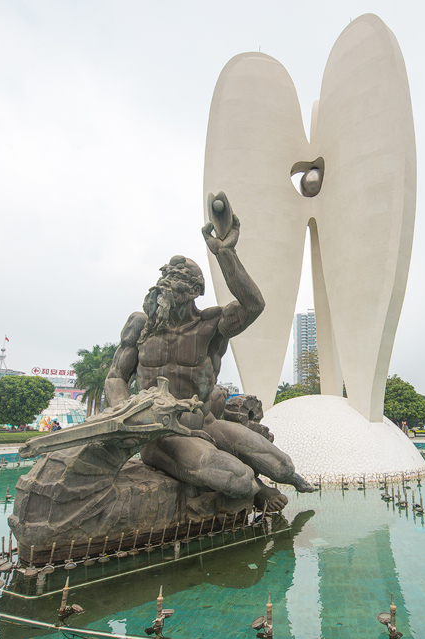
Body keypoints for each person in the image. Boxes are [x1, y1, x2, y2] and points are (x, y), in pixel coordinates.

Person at [104, 193, 314, 510]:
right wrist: (123, 414)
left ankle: (271, 482)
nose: (163, 290)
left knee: (283, 465)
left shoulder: (209, 326)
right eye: (162, 283)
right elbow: (116, 376)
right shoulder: (141, 325)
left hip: (205, 423)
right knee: (240, 478)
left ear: (193, 291)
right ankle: (251, 492)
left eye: (172, 284)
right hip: (160, 436)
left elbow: (254, 306)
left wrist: (225, 253)